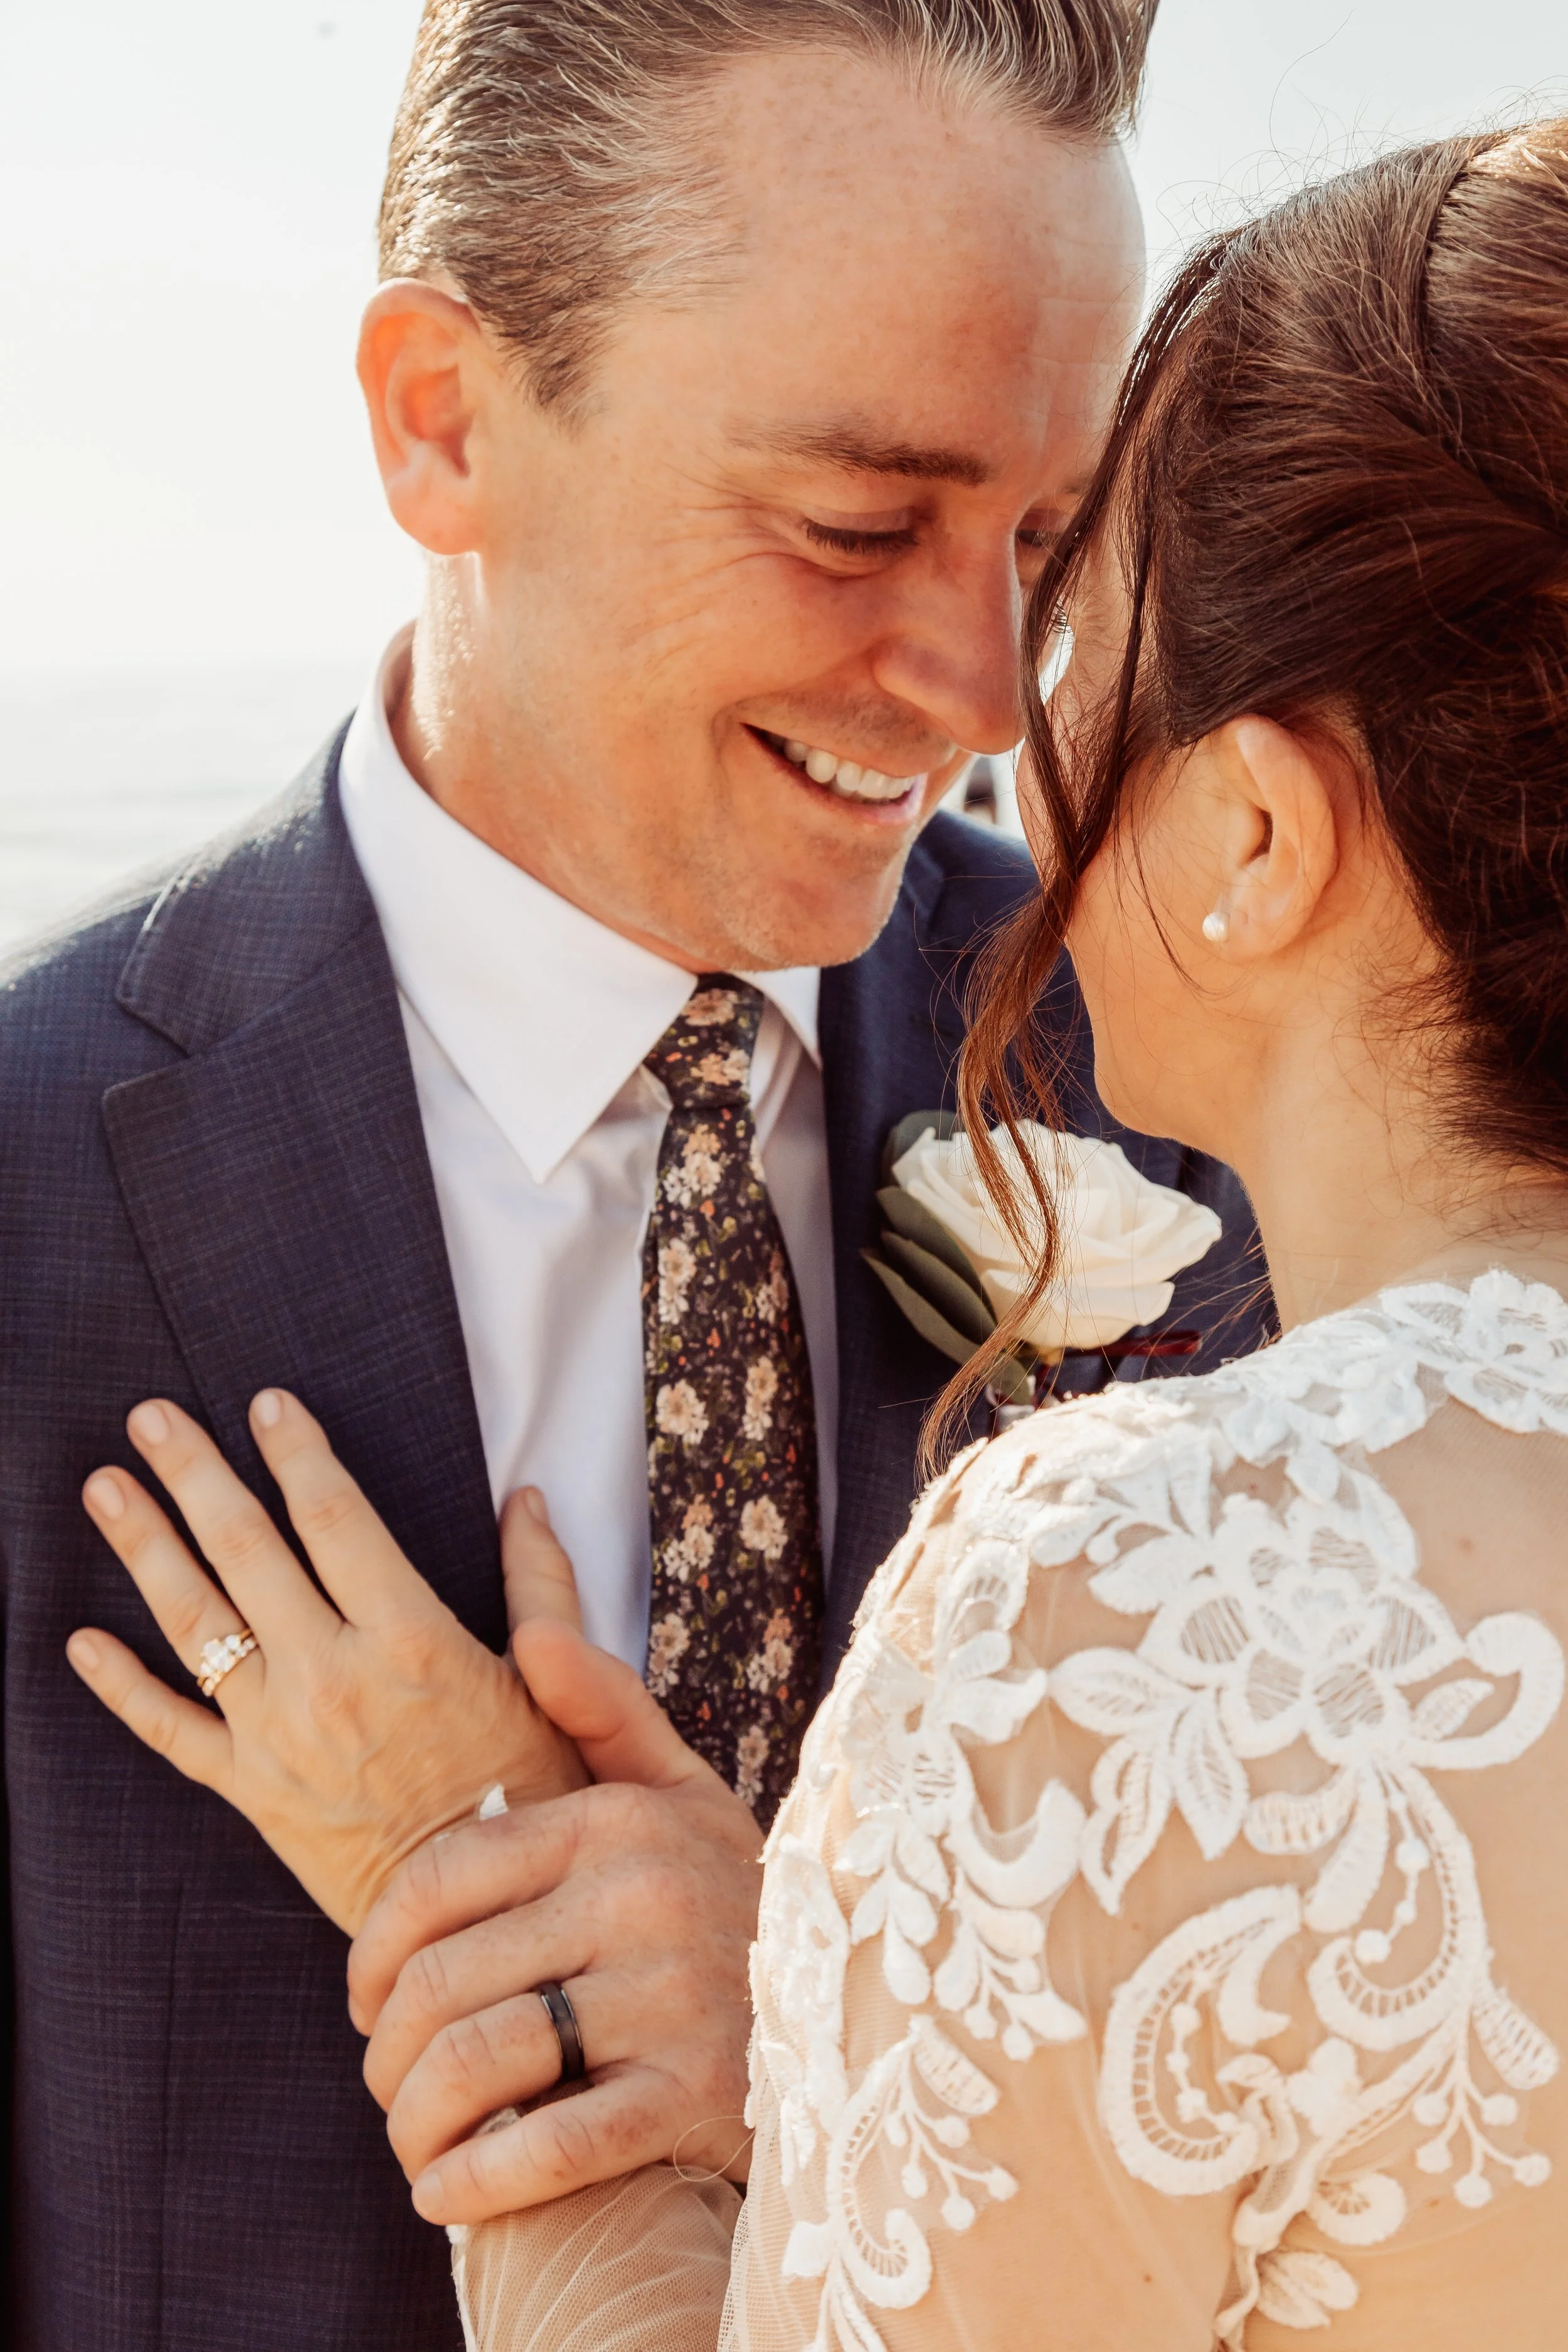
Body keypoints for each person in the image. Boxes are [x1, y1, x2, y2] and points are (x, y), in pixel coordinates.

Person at [73, 112, 1568, 2350]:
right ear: (443, 421)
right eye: (857, 517)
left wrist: (496, 1907)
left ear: (1261, 831)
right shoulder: (41, 1158)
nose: (988, 703)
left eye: (1063, 563)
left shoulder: (1110, 1550)